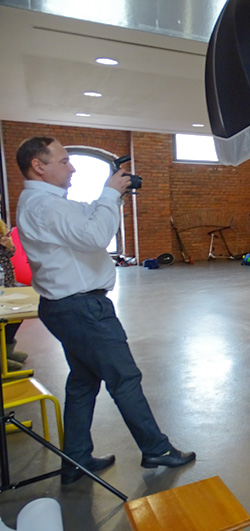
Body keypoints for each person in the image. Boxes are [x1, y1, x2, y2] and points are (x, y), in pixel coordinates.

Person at [15, 137, 195, 485]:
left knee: (83, 382)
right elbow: (97, 236)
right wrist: (110, 194)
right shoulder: (46, 206)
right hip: (82, 309)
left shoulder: (45, 202)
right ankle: (156, 448)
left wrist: (110, 193)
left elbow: (84, 216)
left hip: (67, 308)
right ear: (39, 166)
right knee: (124, 378)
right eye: (64, 161)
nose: (72, 168)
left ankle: (76, 460)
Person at [0, 219, 27, 371]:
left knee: (17, 316)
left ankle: (7, 350)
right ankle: (1, 358)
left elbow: (11, 254)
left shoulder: (2, 231)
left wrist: (10, 246)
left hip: (8, 283)